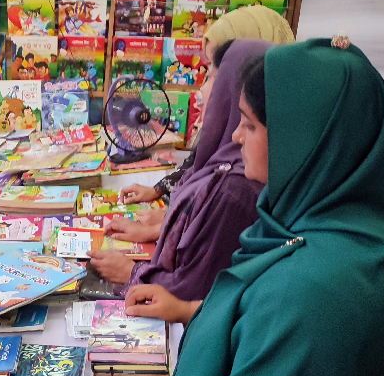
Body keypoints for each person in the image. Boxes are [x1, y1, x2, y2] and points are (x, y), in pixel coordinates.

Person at [52, 38, 384, 376]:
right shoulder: (355, 231)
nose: (234, 134)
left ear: (299, 138)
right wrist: (191, 311)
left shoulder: (311, 290)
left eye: (248, 125)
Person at [89, 40, 266, 301]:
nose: (202, 91)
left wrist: (133, 272)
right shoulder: (222, 164)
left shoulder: (235, 188)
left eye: (212, 75)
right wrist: (158, 226)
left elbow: (196, 286)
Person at [116, 5, 297, 238]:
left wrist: (167, 227)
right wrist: (158, 192)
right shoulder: (226, 135)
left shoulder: (243, 181)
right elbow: (196, 165)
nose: (202, 88)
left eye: (214, 72)